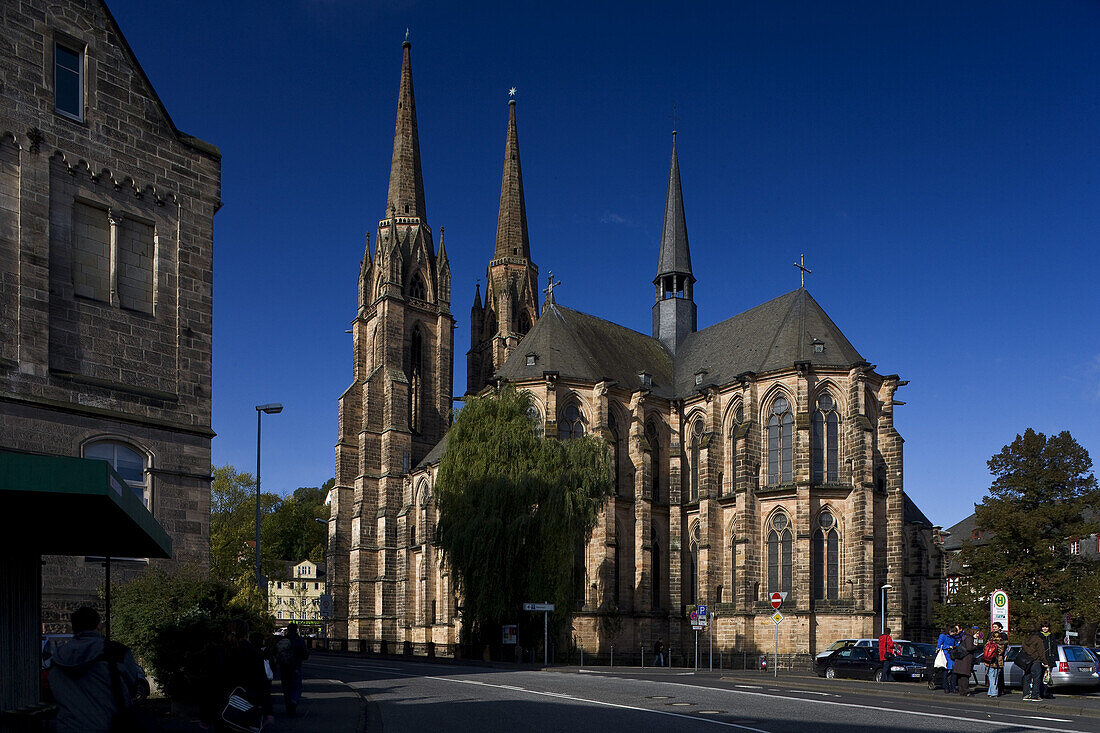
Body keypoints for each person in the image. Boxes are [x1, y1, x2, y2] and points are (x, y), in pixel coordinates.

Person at [48, 606, 144, 733]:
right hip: (108, 725)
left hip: (68, 726)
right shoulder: (117, 653)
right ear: (99, 625)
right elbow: (131, 687)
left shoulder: (58, 658)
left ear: (73, 627)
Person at [202, 618, 273, 730]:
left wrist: (205, 716)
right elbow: (262, 683)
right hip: (247, 705)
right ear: (246, 634)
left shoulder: (219, 651)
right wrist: (268, 711)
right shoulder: (253, 652)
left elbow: (210, 684)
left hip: (222, 707)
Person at [276, 623, 310, 717]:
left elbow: (277, 652)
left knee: (286, 687)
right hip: (295, 666)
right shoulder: (299, 640)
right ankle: (293, 702)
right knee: (296, 686)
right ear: (296, 630)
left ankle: (288, 705)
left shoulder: (283, 639)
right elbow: (305, 654)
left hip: (284, 667)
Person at [1020, 625, 1048, 701]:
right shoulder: (1038, 640)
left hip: (1027, 661)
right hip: (1036, 661)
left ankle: (1026, 694)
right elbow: (1041, 652)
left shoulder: (1025, 640)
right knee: (1036, 678)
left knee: (1027, 677)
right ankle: (1035, 695)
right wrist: (1045, 662)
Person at [953, 627, 979, 696]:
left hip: (960, 660)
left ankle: (962, 691)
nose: (978, 635)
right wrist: (975, 646)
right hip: (965, 660)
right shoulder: (969, 638)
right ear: (973, 632)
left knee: (960, 677)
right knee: (965, 676)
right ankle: (965, 691)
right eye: (977, 633)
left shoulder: (964, 636)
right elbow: (969, 648)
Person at [986, 622, 1009, 697]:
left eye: (996, 627)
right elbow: (1003, 650)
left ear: (1000, 627)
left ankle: (992, 692)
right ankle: (994, 692)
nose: (994, 628)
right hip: (997, 659)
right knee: (994, 676)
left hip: (989, 659)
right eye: (994, 627)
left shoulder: (991, 637)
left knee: (992, 676)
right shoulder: (1002, 639)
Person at [936, 624, 960, 693]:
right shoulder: (943, 636)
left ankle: (953, 687)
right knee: (945, 672)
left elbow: (956, 644)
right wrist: (948, 646)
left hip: (952, 656)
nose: (954, 634)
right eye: (953, 632)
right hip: (945, 655)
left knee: (954, 672)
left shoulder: (954, 637)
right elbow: (939, 646)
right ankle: (946, 687)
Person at [1039, 620, 1059, 699]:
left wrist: (1055, 658)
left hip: (1050, 659)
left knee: (1047, 677)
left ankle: (1045, 692)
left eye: (1046, 627)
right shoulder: (1039, 636)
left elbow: (1054, 647)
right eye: (1043, 627)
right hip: (1041, 659)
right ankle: (1041, 692)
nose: (1045, 628)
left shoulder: (1051, 636)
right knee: (1040, 677)